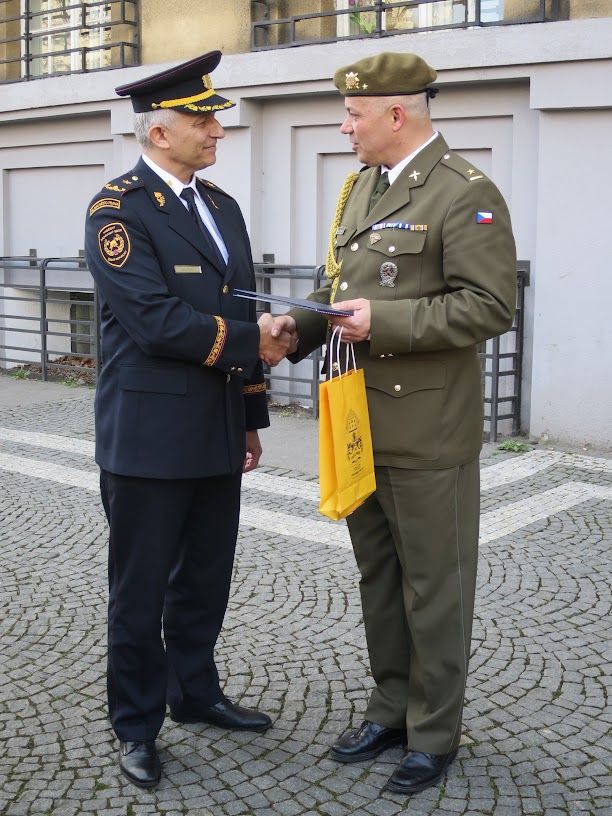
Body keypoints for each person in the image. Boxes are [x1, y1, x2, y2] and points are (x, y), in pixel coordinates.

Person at [272, 52, 517, 796]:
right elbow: (340, 287)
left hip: (428, 430)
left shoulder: (465, 194)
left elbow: (490, 305)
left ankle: (434, 732)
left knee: (433, 586)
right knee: (379, 576)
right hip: (359, 423)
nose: (344, 127)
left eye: (353, 115)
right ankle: (389, 707)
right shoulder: (362, 189)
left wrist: (389, 320)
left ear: (395, 114)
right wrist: (298, 325)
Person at [84, 51, 292, 789]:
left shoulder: (222, 206)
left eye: (214, 119)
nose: (217, 132)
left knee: (205, 578)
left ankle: (195, 693)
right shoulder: (117, 210)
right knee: (140, 592)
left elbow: (238, 309)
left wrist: (251, 417)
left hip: (214, 427)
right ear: (158, 132)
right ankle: (136, 725)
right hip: (147, 437)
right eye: (202, 120)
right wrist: (254, 341)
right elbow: (153, 320)